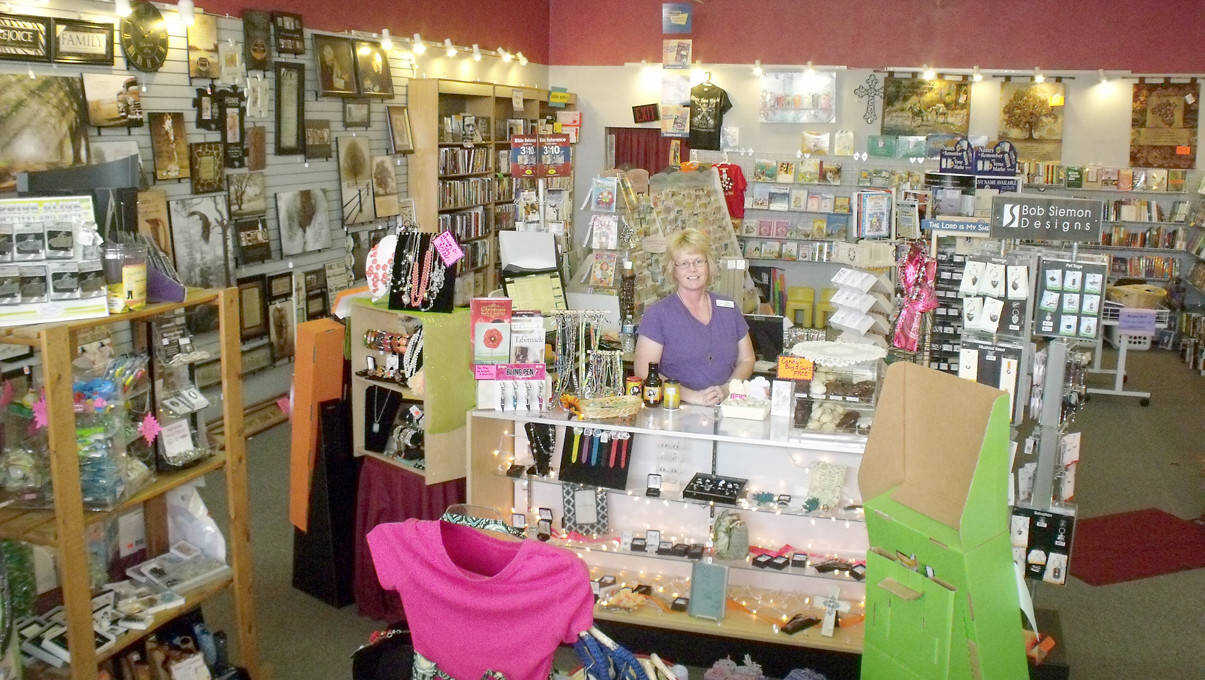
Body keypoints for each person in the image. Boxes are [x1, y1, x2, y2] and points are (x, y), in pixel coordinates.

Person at [635, 228, 754, 405]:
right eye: (684, 263)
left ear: (709, 265)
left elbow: (747, 359)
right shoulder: (658, 314)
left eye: (698, 261)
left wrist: (727, 388)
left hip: (725, 407)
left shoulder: (729, 308)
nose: (692, 269)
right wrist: (693, 396)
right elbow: (644, 371)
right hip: (675, 409)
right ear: (673, 270)